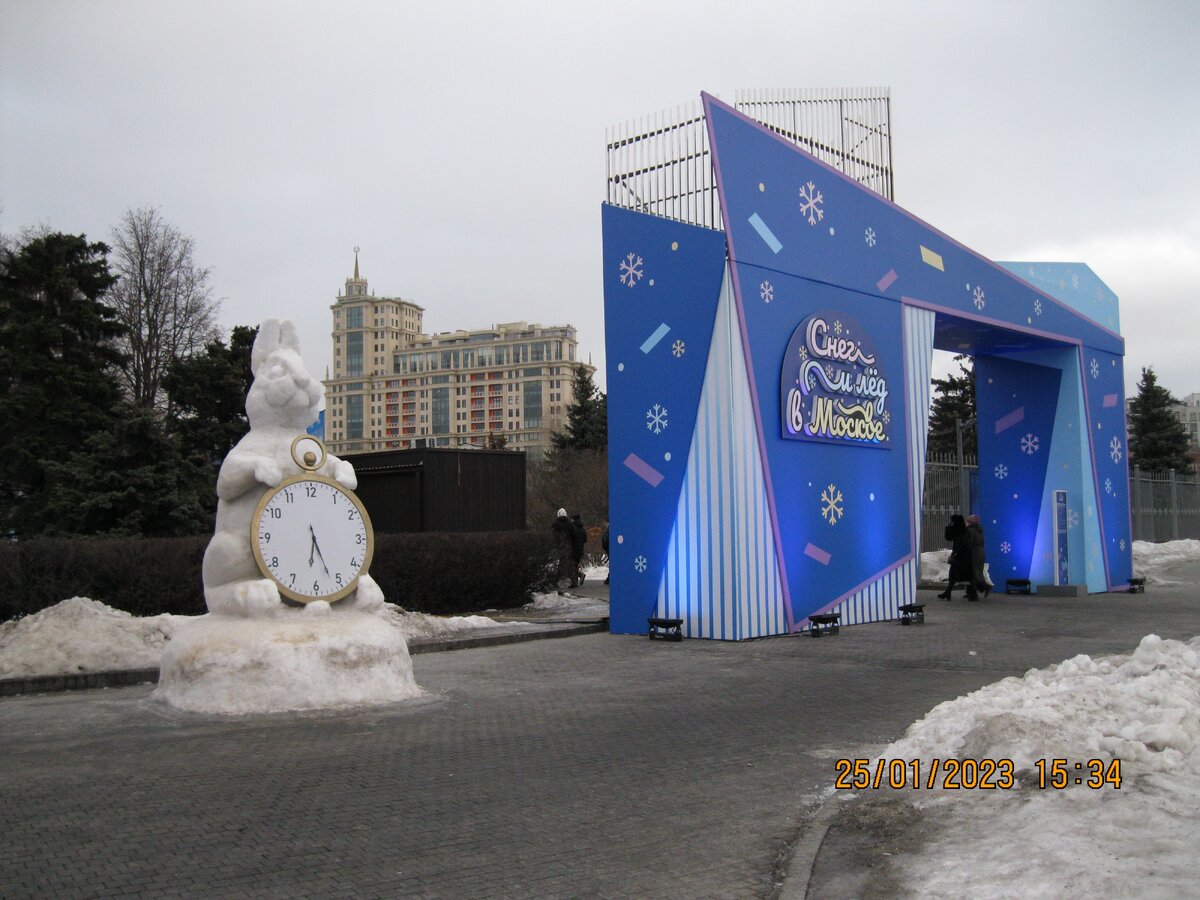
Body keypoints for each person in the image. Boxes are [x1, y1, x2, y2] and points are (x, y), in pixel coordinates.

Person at [938, 514, 979, 601]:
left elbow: (961, 543)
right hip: (963, 556)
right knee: (957, 575)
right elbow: (949, 537)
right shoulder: (962, 530)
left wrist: (956, 553)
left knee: (964, 575)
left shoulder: (964, 531)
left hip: (962, 557)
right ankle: (949, 593)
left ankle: (973, 594)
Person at [552, 508, 576, 594]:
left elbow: (553, 536)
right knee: (568, 562)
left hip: (560, 545)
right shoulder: (570, 524)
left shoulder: (555, 524)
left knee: (562, 563)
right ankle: (574, 578)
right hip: (568, 545)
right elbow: (574, 535)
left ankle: (556, 580)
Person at [965, 514, 989, 599]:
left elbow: (968, 543)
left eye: (967, 522)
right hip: (981, 552)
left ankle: (985, 587)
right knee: (977, 571)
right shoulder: (979, 530)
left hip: (974, 553)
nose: (966, 523)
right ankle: (971, 591)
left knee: (974, 572)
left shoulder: (970, 531)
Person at [570, 513, 587, 586]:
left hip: (573, 549)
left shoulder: (572, 528)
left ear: (573, 519)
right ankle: (575, 582)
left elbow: (570, 539)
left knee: (571, 565)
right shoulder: (582, 529)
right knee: (575, 565)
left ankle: (579, 577)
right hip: (580, 549)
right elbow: (585, 540)